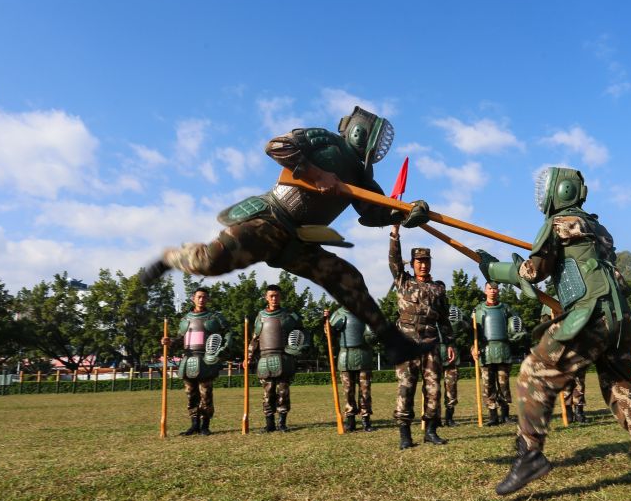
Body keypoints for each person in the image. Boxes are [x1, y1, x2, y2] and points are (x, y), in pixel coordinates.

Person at [139, 106, 431, 366]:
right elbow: (277, 146)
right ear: (359, 130)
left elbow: (374, 214)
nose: (377, 146)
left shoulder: (361, 177)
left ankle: (394, 343)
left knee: (347, 278)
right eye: (375, 138)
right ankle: (172, 258)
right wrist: (317, 174)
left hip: (299, 240)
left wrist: (406, 214)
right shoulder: (325, 140)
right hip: (270, 219)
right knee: (209, 262)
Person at [478, 166, 631, 495]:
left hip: (592, 316)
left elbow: (532, 271)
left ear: (561, 191)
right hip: (620, 321)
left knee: (534, 372)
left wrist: (492, 267)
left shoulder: (558, 223)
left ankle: (530, 455)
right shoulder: (599, 229)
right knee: (622, 392)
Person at [390, 229, 454, 450]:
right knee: (406, 387)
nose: (423, 265)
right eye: (419, 261)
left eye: (426, 261)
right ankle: (405, 433)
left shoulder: (438, 288)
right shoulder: (403, 281)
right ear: (412, 263)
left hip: (430, 342)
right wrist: (394, 235)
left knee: (434, 388)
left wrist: (450, 342)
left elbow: (444, 319)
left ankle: (430, 430)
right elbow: (394, 260)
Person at [162, 287, 229, 436]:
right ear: (193, 298)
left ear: (208, 299)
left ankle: (205, 425)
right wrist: (169, 341)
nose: (201, 299)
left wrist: (222, 350)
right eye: (199, 297)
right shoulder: (185, 319)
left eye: (204, 297)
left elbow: (228, 333)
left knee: (205, 394)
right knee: (191, 394)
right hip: (188, 359)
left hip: (206, 359)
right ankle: (194, 424)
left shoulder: (215, 318)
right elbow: (180, 339)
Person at [247, 285, 306, 433]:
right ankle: (269, 424)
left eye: (277, 295)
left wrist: (300, 348)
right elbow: (255, 339)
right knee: (267, 394)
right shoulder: (260, 316)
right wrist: (248, 356)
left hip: (284, 358)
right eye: (271, 295)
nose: (274, 298)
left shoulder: (289, 316)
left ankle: (282, 423)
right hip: (265, 359)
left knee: (283, 393)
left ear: (280, 297)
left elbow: (303, 333)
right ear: (266, 297)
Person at [473, 282, 526, 426]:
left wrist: (515, 336)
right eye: (490, 288)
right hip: (485, 350)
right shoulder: (478, 310)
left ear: (498, 290)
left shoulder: (506, 309)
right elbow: (473, 332)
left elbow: (518, 325)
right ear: (485, 290)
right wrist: (473, 347)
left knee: (503, 384)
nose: (492, 291)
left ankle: (505, 415)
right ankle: (493, 416)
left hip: (503, 349)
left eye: (495, 288)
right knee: (488, 385)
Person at [327, 305, 375, 433]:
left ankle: (366, 420)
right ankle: (351, 420)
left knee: (365, 391)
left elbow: (373, 337)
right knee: (348, 390)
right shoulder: (337, 314)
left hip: (363, 355)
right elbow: (329, 334)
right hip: (345, 356)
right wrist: (326, 322)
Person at [541, 304, 588, 424]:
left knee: (579, 382)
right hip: (561, 350)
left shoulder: (576, 300)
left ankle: (579, 411)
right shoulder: (549, 302)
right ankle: (568, 412)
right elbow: (545, 326)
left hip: (578, 348)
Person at [438, 291, 462, 427]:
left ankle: (449, 417)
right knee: (433, 388)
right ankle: (434, 418)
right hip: (434, 352)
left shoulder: (453, 312)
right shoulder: (429, 311)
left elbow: (466, 326)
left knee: (451, 387)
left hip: (451, 354)